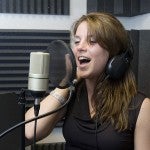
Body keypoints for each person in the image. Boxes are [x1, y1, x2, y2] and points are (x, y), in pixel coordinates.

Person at [25, 12, 150, 150]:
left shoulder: (140, 106)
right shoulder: (72, 94)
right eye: (77, 41)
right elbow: (30, 130)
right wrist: (67, 82)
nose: (79, 47)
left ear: (115, 55)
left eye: (92, 41)